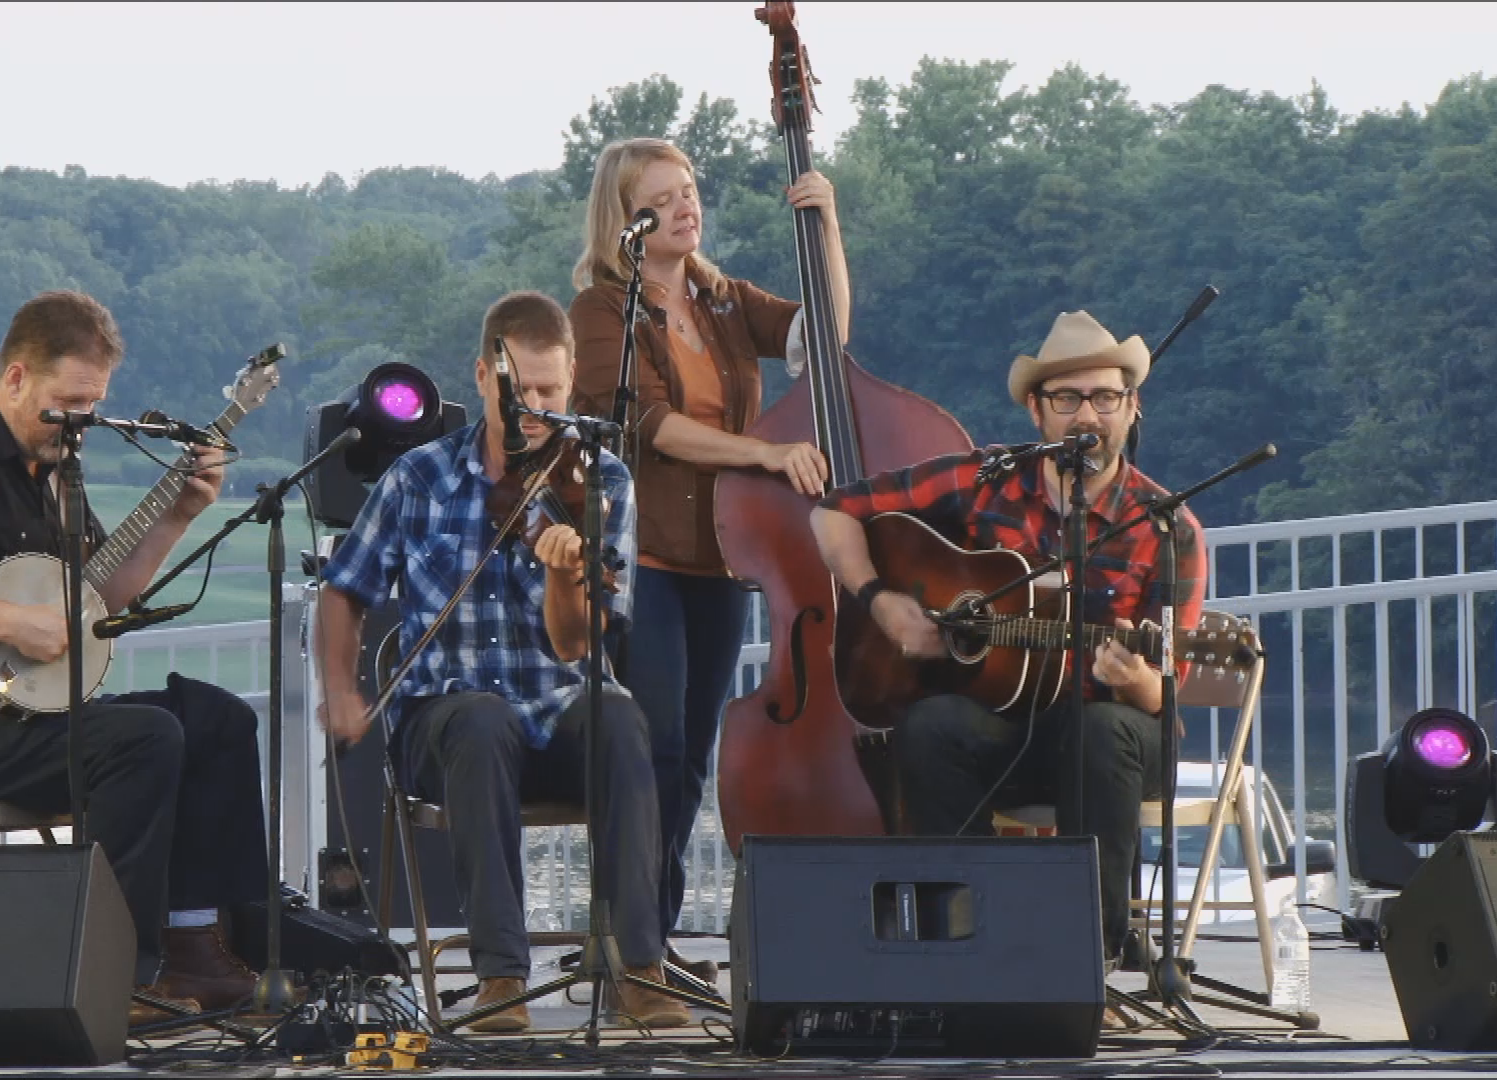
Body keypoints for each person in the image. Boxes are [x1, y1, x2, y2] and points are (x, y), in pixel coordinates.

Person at [0, 290, 269, 1025]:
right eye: (68, 404)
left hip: (29, 718)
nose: (82, 424)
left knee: (216, 719)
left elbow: (101, 602)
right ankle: (119, 973)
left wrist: (179, 514)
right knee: (142, 738)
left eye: (94, 407)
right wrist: (9, 619)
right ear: (15, 378)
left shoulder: (56, 471)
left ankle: (198, 944)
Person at [315, 290, 691, 1033]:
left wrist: (562, 572)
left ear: (573, 379)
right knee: (482, 721)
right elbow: (344, 591)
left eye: (553, 391)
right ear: (484, 375)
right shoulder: (418, 476)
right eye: (523, 390)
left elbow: (578, 646)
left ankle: (637, 965)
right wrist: (340, 688)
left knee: (618, 715)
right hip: (447, 718)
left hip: (558, 709)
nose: (539, 408)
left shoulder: (601, 481)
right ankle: (499, 977)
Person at [808, 310, 1208, 969]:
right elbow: (833, 513)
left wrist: (1134, 676)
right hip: (1003, 720)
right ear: (1036, 410)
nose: (1088, 416)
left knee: (1099, 728)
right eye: (1068, 398)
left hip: (1115, 736)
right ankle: (959, 948)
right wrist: (883, 605)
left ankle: (1091, 957)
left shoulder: (1168, 528)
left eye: (1106, 397)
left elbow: (1164, 694)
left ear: (1132, 409)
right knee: (932, 723)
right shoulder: (986, 479)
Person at [567, 137, 849, 968]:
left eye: (691, 191)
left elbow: (819, 335)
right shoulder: (601, 311)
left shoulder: (722, 298)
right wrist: (763, 452)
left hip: (723, 557)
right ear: (627, 219)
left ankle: (649, 932)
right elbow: (651, 425)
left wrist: (826, 227)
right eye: (666, 198)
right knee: (649, 742)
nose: (689, 206)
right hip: (646, 555)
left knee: (691, 751)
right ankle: (630, 937)